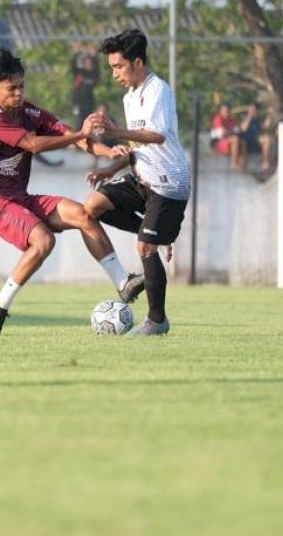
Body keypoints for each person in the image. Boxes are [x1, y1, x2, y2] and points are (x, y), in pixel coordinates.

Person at [0, 48, 143, 335]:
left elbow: (72, 137)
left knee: (83, 214)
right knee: (43, 241)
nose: (18, 93)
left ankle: (123, 283)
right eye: (11, 88)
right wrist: (81, 134)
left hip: (19, 197)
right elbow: (35, 145)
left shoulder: (29, 111)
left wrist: (108, 151)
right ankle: (0, 306)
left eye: (22, 86)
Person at [85, 28, 191, 336]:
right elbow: (138, 147)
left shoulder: (158, 89)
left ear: (138, 62)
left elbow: (156, 135)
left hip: (169, 183)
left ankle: (157, 321)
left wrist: (115, 132)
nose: (115, 73)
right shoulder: (130, 97)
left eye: (119, 66)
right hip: (142, 178)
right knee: (93, 206)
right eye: (112, 68)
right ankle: (159, 232)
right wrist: (111, 169)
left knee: (145, 247)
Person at [71, 42, 99, 130]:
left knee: (90, 121)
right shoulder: (80, 73)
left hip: (90, 102)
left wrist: (94, 55)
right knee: (80, 121)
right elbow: (74, 65)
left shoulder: (93, 74)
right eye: (87, 63)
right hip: (79, 102)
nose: (89, 65)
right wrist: (77, 53)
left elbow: (97, 68)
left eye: (90, 63)